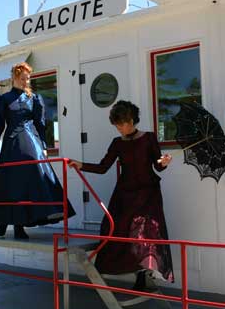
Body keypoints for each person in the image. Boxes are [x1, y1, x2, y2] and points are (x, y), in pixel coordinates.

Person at [68, 100, 174, 288]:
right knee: (115, 228)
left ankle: (142, 274)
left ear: (131, 120)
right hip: (124, 194)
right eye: (115, 124)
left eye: (120, 124)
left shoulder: (149, 138)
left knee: (143, 233)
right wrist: (81, 164)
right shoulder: (117, 143)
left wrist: (164, 162)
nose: (118, 128)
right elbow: (103, 167)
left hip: (148, 193)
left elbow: (158, 166)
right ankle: (110, 270)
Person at [0, 62, 75, 238]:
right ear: (14, 78)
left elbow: (41, 125)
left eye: (28, 79)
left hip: (32, 141)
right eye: (22, 79)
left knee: (31, 179)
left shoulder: (35, 99)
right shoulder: (4, 100)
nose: (25, 82)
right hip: (11, 143)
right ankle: (3, 220)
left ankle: (19, 225)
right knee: (8, 183)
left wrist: (45, 147)